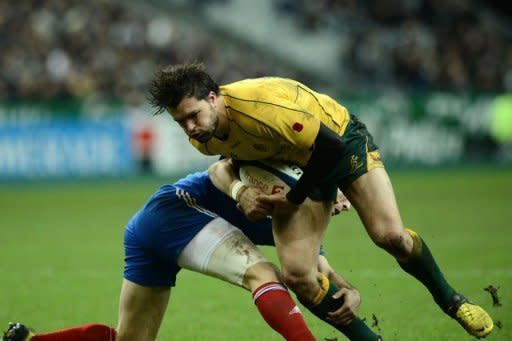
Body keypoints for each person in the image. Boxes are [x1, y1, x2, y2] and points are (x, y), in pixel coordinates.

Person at [148, 62, 494, 339]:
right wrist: (244, 191)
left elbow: (331, 147)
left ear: (213, 98)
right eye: (181, 122)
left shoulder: (261, 107)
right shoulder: (204, 138)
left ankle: (451, 300)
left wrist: (304, 196)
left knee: (389, 236)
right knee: (298, 276)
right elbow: (232, 161)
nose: (190, 127)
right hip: (297, 164)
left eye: (193, 116)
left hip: (343, 143)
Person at [2, 170, 368, 341]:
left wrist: (347, 289)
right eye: (340, 198)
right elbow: (227, 166)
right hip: (176, 211)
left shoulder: (305, 224)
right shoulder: (278, 184)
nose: (343, 206)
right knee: (264, 274)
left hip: (146, 227)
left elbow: (315, 270)